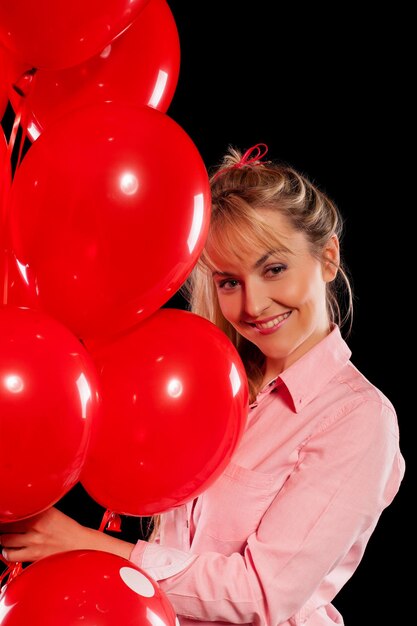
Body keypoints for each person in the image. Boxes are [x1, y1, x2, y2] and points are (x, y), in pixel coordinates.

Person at [0, 144, 405, 625]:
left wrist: (88, 545)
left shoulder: (357, 419)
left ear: (328, 258)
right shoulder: (199, 383)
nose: (253, 304)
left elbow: (262, 596)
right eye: (229, 281)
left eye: (274, 269)